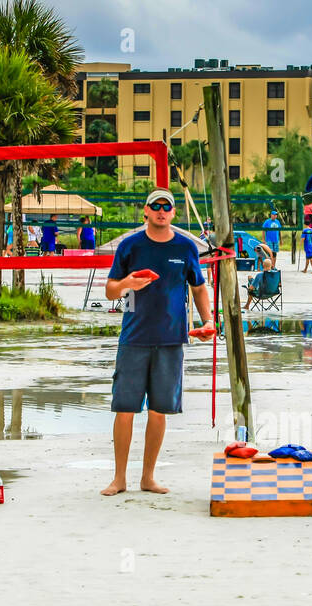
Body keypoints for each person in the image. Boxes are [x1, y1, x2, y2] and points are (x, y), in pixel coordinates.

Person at [103, 188, 214, 496]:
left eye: (167, 206)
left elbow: (199, 288)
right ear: (146, 212)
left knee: (159, 410)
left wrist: (207, 321)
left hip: (171, 339)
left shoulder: (186, 246)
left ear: (174, 213)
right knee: (125, 409)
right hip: (134, 338)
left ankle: (148, 477)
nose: (162, 211)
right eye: (156, 206)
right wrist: (127, 283)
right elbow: (110, 291)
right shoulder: (130, 246)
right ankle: (119, 478)